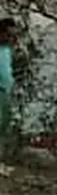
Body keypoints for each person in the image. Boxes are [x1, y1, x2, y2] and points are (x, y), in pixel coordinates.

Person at [0, 18, 15, 157]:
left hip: (5, 91)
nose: (10, 38)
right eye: (8, 35)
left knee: (4, 124)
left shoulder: (6, 50)